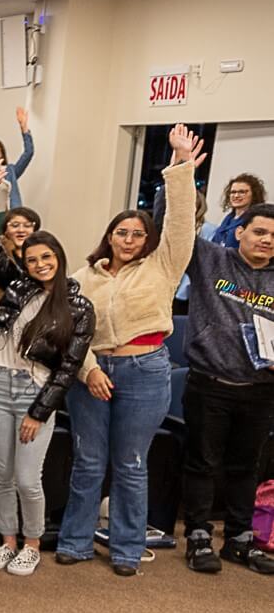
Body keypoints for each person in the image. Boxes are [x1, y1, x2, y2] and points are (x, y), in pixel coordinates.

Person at [58, 125, 198, 576]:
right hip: (94, 373)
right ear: (110, 235)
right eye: (122, 232)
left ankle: (126, 550)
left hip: (145, 369)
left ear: (148, 239)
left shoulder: (164, 265)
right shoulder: (84, 276)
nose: (129, 239)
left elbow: (179, 222)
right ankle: (75, 543)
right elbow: (69, 332)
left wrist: (180, 166)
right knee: (88, 462)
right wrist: (88, 371)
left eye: (138, 233)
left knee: (131, 464)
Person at [0, 164, 95, 576]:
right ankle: (7, 539)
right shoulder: (18, 286)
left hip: (34, 393)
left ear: (59, 258)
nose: (40, 264)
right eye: (32, 258)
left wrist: (39, 412)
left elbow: (69, 367)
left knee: (27, 477)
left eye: (47, 257)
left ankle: (33, 542)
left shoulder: (78, 307)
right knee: (1, 474)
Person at [175, 198, 274, 574]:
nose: (266, 240)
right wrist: (180, 172)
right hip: (209, 383)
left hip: (261, 388)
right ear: (240, 232)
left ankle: (239, 538)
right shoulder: (210, 259)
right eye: (259, 231)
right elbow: (176, 225)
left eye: (273, 236)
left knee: (246, 467)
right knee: (202, 463)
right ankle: (199, 536)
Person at [206, 173, 267, 249]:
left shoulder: (255, 220)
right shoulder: (228, 218)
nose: (236, 196)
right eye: (233, 192)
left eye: (242, 192)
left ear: (254, 194)